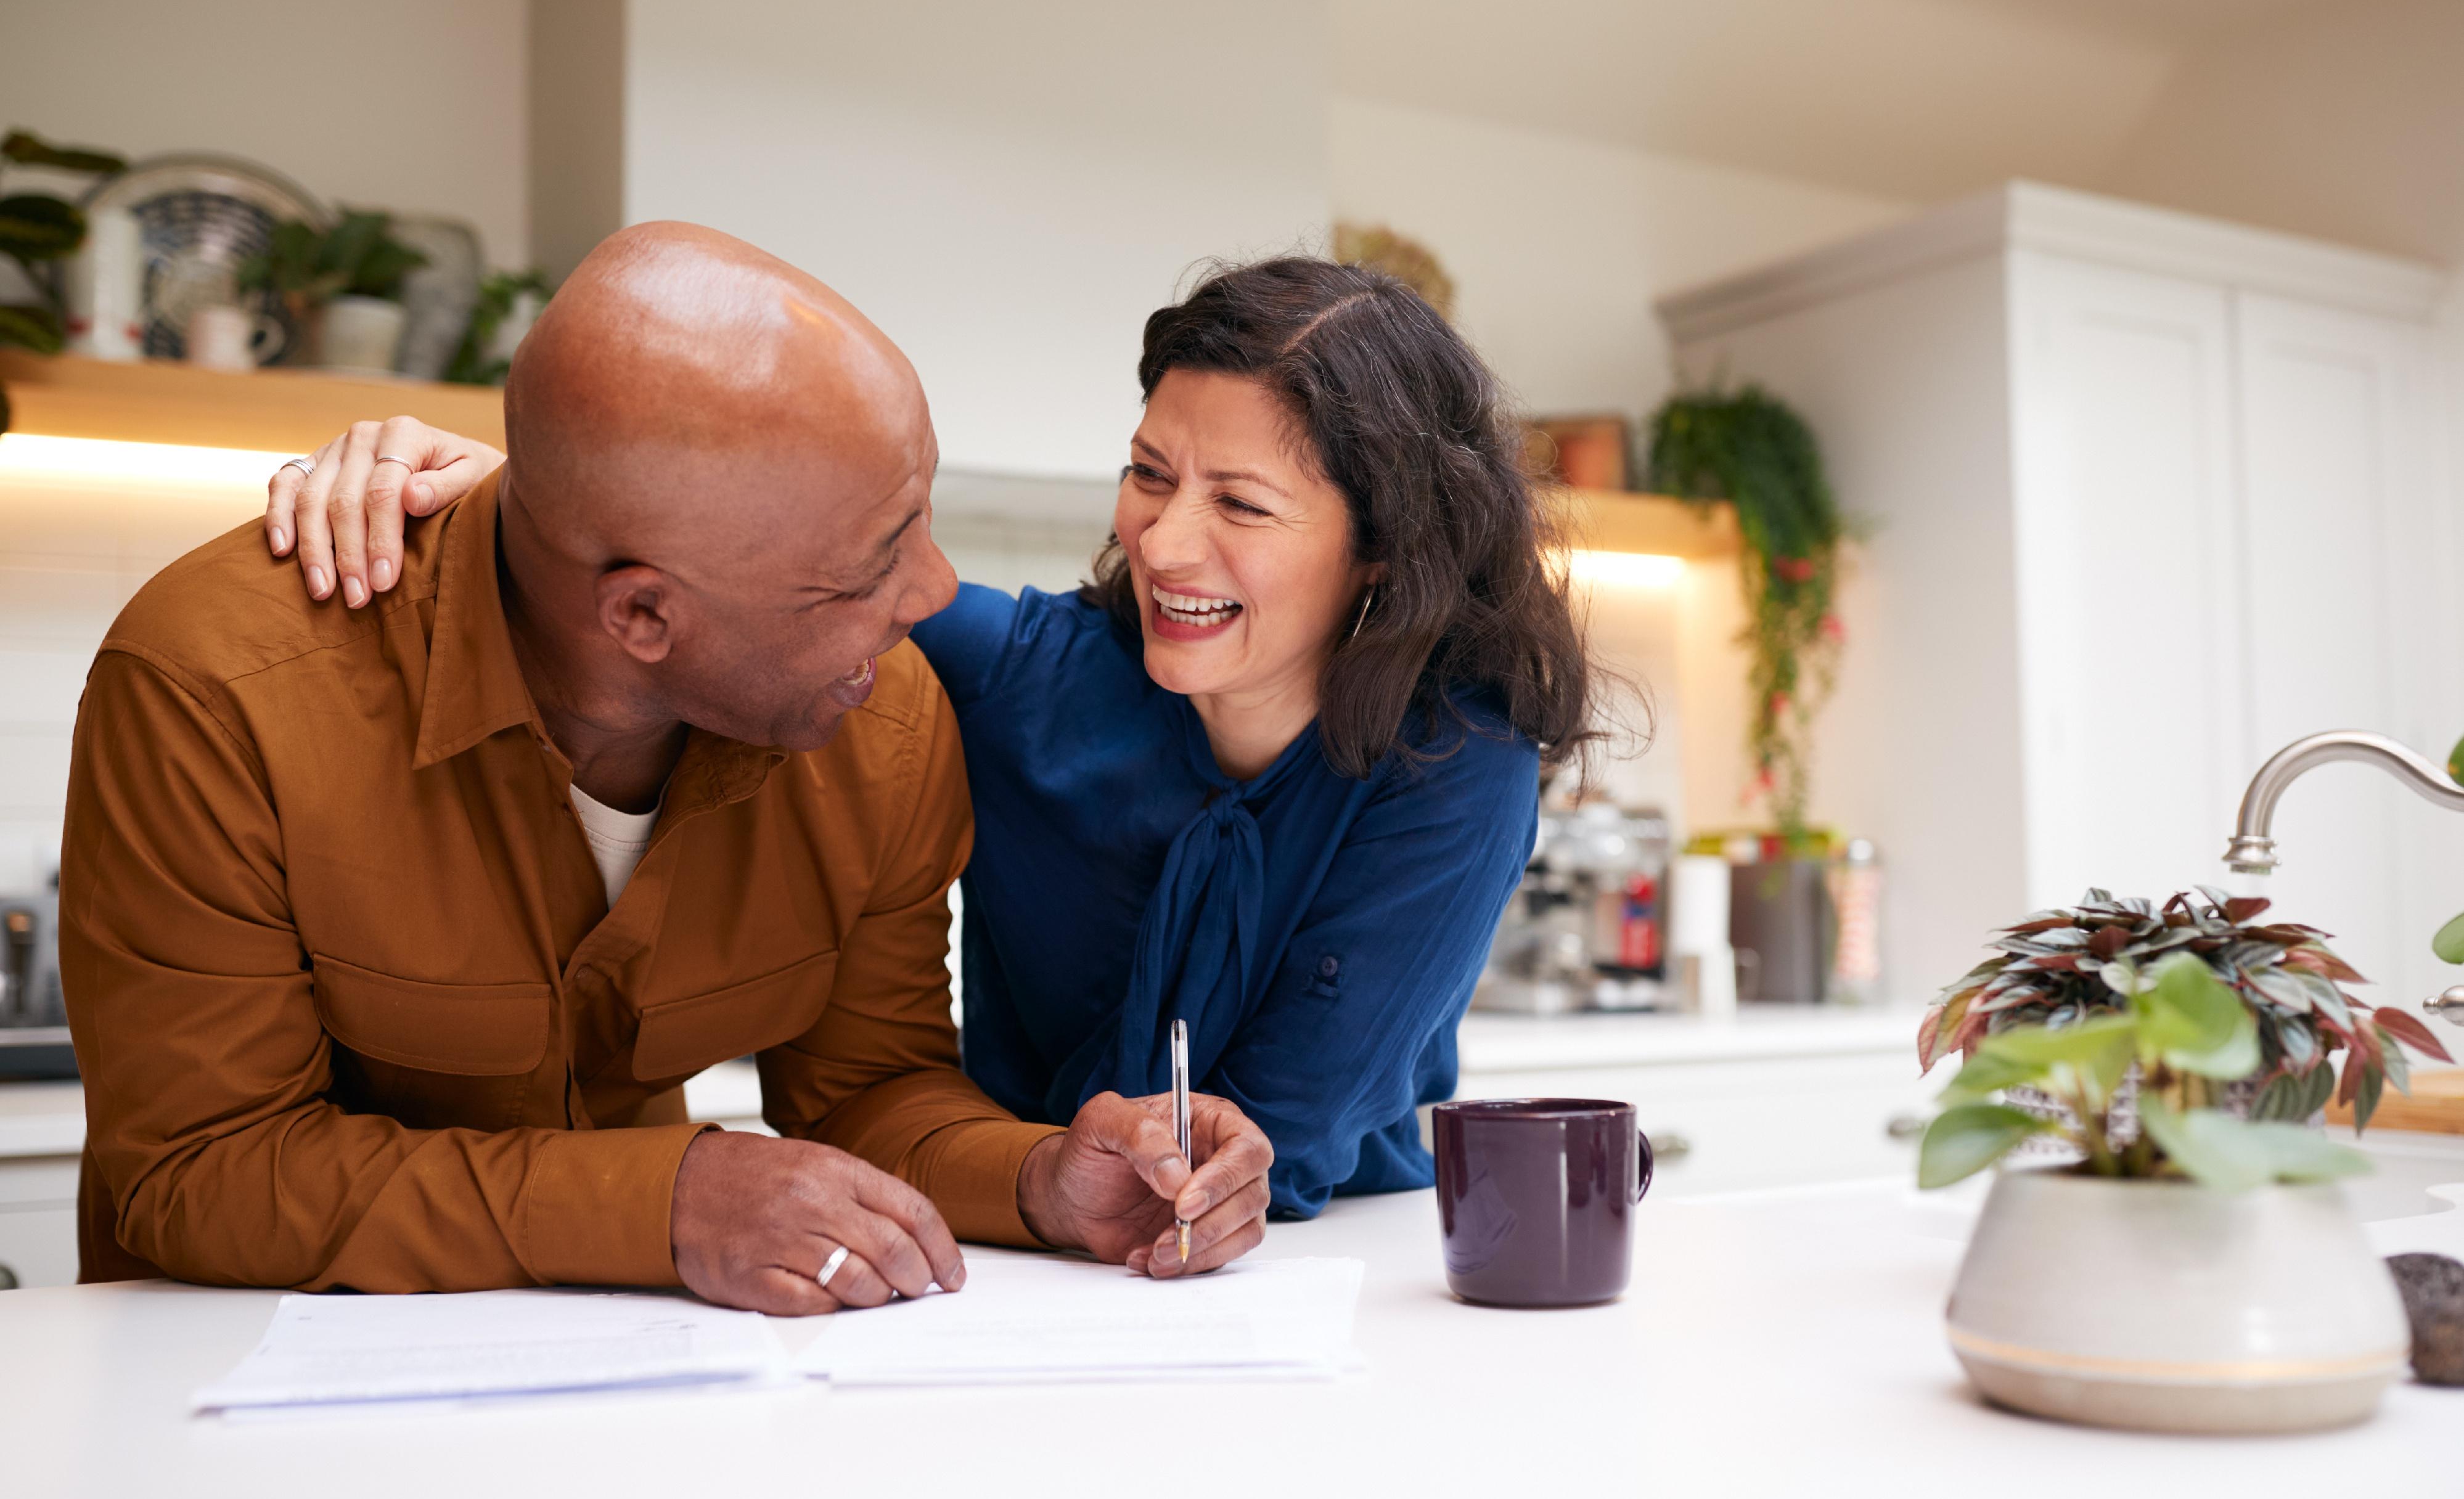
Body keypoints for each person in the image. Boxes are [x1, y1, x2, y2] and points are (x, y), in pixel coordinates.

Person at [63, 223, 1272, 1313]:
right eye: (866, 569)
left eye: (919, 516)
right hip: (225, 1389)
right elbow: (199, 1168)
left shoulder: (878, 716)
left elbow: (866, 1089)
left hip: (627, 1384)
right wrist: (665, 1202)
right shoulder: (219, 690)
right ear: (642, 617)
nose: (933, 595)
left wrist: (1042, 1176)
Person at [267, 256, 1597, 1219]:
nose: (1163, 541)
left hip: (1304, 1268)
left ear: (1383, 552)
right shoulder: (1029, 677)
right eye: (1148, 474)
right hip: (1020, 1233)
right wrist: (508, 493)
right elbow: (747, 574)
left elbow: (1278, 1142)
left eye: (1239, 503)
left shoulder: (1454, 768)